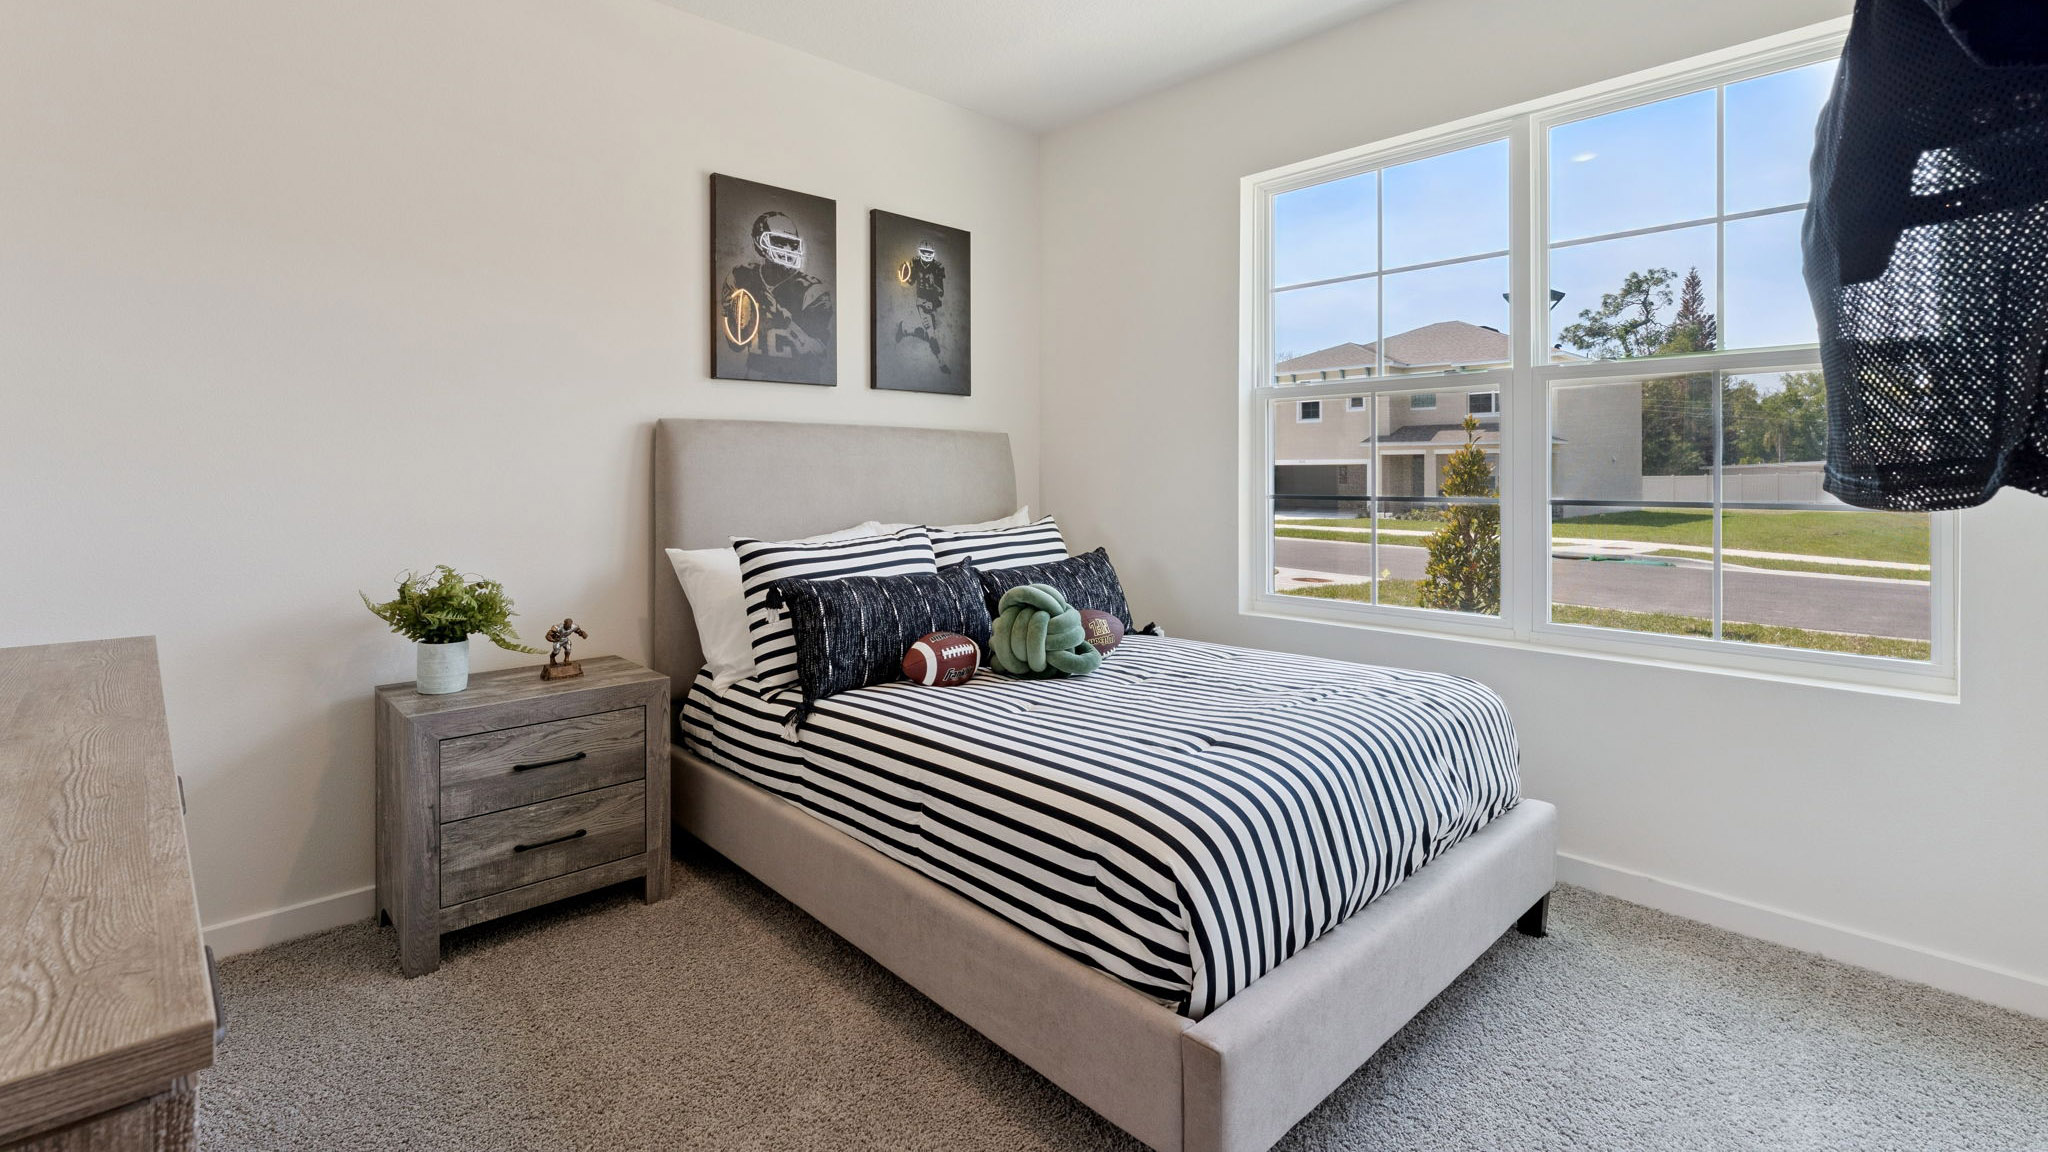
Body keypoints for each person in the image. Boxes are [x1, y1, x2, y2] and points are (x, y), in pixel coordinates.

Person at [721, 210, 834, 381]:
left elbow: (819, 353)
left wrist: (784, 320)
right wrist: (738, 317)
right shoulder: (741, 277)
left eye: (793, 244)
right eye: (780, 242)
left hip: (802, 383)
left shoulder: (812, 289)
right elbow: (735, 344)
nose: (788, 249)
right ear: (759, 243)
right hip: (753, 381)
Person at [893, 240, 950, 374]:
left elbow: (940, 290)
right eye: (924, 252)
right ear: (919, 252)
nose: (926, 255)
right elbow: (910, 281)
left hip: (933, 303)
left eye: (929, 252)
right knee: (932, 335)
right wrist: (904, 275)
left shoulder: (937, 267)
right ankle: (941, 363)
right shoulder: (916, 263)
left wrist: (935, 297)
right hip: (922, 302)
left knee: (930, 332)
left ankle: (905, 330)